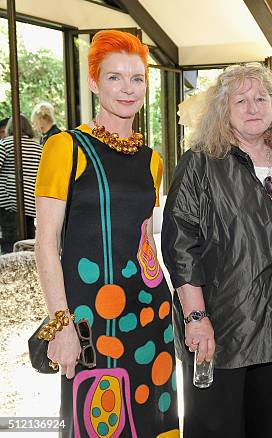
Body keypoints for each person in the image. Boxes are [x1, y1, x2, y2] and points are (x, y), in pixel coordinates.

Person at [162, 63, 272, 438]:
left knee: (262, 428)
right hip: (219, 327)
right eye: (241, 100)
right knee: (213, 429)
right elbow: (179, 244)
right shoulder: (201, 162)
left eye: (261, 98)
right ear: (224, 110)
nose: (253, 107)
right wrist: (196, 317)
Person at [34, 30, 179, 437]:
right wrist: (59, 324)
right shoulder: (65, 148)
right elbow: (46, 245)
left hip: (151, 311)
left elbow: (143, 239)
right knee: (95, 421)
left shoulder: (153, 160)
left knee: (153, 419)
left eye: (137, 78)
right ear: (95, 82)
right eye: (115, 77)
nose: (128, 89)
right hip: (88, 319)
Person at [0, 115, 42, 253]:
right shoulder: (38, 147)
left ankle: (8, 272)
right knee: (27, 241)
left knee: (9, 240)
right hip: (30, 203)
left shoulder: (6, 143)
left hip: (8, 203)